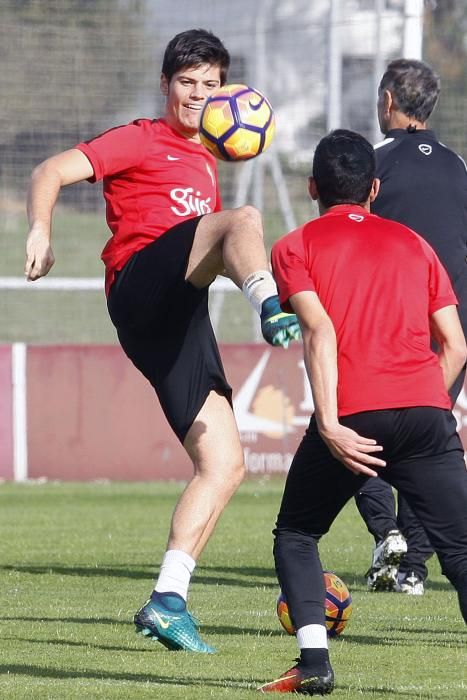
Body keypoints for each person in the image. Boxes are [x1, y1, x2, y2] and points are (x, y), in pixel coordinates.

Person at [24, 28, 300, 654]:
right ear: (166, 85)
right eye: (187, 83)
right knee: (246, 221)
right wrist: (40, 230)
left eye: (209, 84)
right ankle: (269, 305)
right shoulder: (140, 138)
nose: (198, 95)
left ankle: (168, 599)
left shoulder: (210, 156)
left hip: (178, 315)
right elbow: (50, 169)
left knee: (227, 463)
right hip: (141, 283)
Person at [258, 129, 467, 694]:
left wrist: (329, 422)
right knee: (461, 549)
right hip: (427, 411)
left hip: (353, 416)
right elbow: (456, 345)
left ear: (311, 189)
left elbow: (319, 331)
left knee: (297, 534)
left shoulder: (294, 246)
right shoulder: (415, 244)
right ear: (374, 188)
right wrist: (429, 405)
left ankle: (315, 665)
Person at [356, 58, 467, 597]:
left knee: (354, 427)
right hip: (451, 330)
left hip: (386, 326)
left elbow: (347, 236)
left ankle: (386, 534)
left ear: (387, 103)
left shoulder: (372, 165)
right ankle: (413, 570)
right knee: (430, 441)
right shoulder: (459, 167)